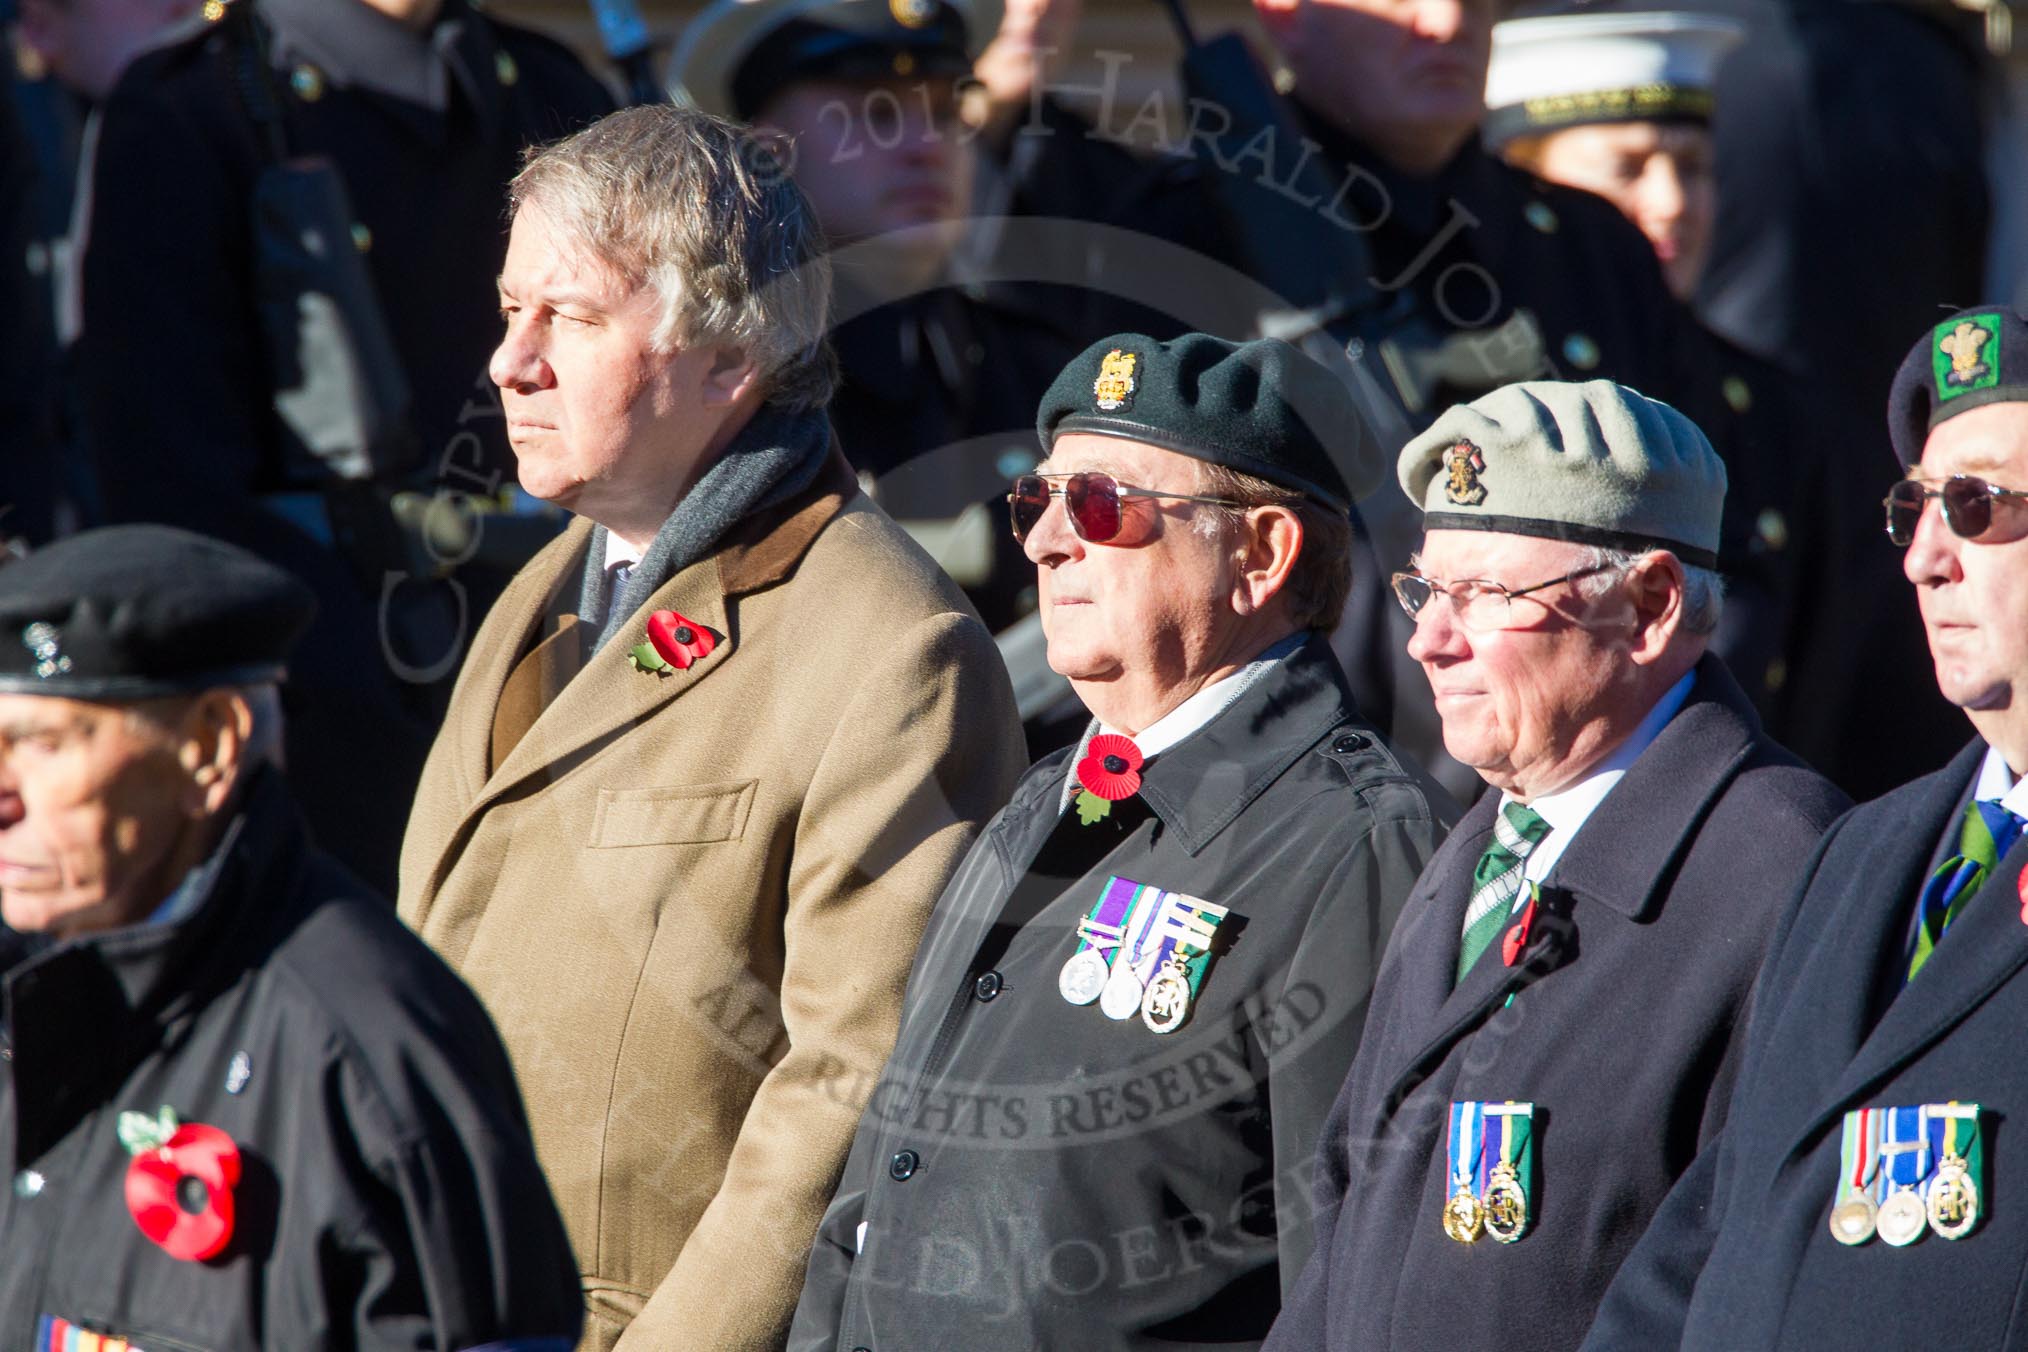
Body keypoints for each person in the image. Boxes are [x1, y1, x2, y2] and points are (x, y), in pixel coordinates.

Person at [397, 105, 1027, 1351]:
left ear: (732, 357)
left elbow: (847, 1091)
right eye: (510, 309)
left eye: (567, 318)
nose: (507, 362)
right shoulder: (542, 588)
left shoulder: (891, 650)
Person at [788, 331, 1453, 1349]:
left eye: (1101, 505)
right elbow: (882, 1177)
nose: (1049, 540)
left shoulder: (1358, 844)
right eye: (1037, 501)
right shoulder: (1048, 793)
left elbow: (1357, 1284)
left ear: (1262, 553)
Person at [1264, 380, 1849, 1352]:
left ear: (1649, 605)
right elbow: (1345, 1220)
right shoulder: (1481, 848)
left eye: (1484, 595)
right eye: (1424, 588)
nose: (1425, 638)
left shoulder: (1789, 874)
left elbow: (1754, 1286)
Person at [73, 0, 613, 890]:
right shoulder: (192, 109)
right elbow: (169, 481)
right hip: (337, 707)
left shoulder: (553, 90)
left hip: (568, 658)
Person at [0, 524, 581, 1350]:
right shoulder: (30, 992)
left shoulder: (368, 1044)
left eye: (40, 744)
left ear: (208, 748)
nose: (2, 795)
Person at [1579, 304, 2028, 1348]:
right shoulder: (1861, 856)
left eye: (1977, 506)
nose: (1925, 557)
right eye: (1914, 506)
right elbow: (1709, 1235)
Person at [672, 0, 1087, 634]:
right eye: (875, 113)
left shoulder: (1031, 361)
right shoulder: (716, 379)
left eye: (948, 113)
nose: (926, 146)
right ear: (765, 155)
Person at [1482, 0, 1815, 727]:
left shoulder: (1778, 413)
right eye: (1627, 168)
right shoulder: (1476, 399)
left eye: (1692, 168)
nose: (1671, 203)